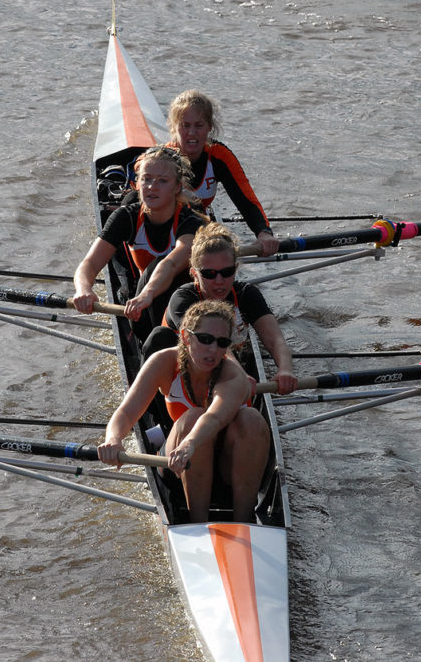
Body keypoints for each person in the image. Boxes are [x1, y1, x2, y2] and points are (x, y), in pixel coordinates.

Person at [99, 300, 270, 523]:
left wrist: (190, 443)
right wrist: (113, 439)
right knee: (192, 418)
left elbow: (215, 417)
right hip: (178, 466)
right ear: (186, 337)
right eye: (205, 339)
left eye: (222, 343)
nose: (213, 349)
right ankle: (197, 524)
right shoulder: (163, 362)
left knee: (252, 419)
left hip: (227, 467)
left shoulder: (233, 376)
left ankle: (245, 521)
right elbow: (126, 412)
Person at [143, 222, 297, 395]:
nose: (219, 281)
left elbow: (275, 339)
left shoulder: (246, 294)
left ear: (236, 269)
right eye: (209, 274)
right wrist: (237, 374)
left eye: (227, 272)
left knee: (246, 356)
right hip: (180, 381)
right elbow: (214, 346)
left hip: (223, 370)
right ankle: (156, 415)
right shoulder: (183, 298)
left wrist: (285, 370)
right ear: (194, 274)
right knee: (159, 336)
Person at [72, 146, 206, 337]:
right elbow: (89, 264)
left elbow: (171, 263)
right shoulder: (126, 216)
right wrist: (83, 289)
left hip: (184, 301)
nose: (152, 187)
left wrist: (147, 295)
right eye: (146, 179)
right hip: (147, 301)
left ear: (177, 187)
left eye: (162, 181)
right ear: (137, 183)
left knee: (160, 263)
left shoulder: (191, 222)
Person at [167, 90, 280, 256]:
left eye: (199, 125)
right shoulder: (165, 159)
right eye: (185, 125)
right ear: (175, 128)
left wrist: (264, 233)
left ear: (209, 128)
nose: (192, 133)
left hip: (196, 231)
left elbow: (246, 200)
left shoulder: (219, 156)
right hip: (166, 230)